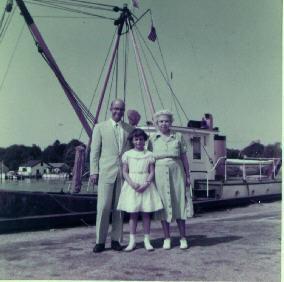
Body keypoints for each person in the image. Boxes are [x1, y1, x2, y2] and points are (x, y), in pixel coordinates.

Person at [90, 99, 133, 253]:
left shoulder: (129, 129)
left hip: (123, 174)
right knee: (102, 207)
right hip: (105, 173)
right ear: (110, 109)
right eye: (116, 109)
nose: (118, 112)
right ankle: (100, 241)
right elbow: (94, 152)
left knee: (119, 208)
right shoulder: (100, 128)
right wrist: (94, 171)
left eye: (121, 109)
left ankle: (116, 240)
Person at [148, 109, 193, 250]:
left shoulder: (178, 137)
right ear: (156, 123)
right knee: (163, 205)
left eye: (166, 121)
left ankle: (183, 238)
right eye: (161, 121)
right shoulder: (152, 139)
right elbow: (149, 160)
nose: (164, 124)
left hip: (176, 172)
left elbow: (184, 157)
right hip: (159, 174)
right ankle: (167, 238)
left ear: (171, 122)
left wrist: (188, 175)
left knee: (179, 203)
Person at [117, 128, 163, 251]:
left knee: (146, 214)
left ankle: (147, 240)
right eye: (136, 139)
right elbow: (125, 172)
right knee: (133, 214)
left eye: (141, 139)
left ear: (144, 140)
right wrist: (132, 183)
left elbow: (152, 171)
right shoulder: (127, 155)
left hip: (146, 184)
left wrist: (147, 183)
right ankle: (132, 242)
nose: (139, 142)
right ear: (132, 141)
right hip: (132, 185)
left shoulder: (149, 155)